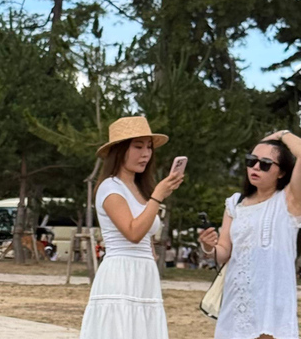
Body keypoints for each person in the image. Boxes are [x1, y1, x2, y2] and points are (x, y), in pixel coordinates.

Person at [80, 116, 184, 339]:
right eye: (138, 147)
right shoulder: (110, 188)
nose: (146, 154)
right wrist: (158, 196)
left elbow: (144, 234)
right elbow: (133, 232)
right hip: (120, 274)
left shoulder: (139, 188)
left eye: (148, 147)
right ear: (120, 150)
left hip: (144, 273)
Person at [199, 130, 301, 339]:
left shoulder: (290, 200)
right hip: (237, 301)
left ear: (281, 172)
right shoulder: (235, 203)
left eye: (265, 163)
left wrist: (281, 135)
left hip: (273, 303)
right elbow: (224, 253)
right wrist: (209, 247)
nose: (255, 167)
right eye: (251, 160)